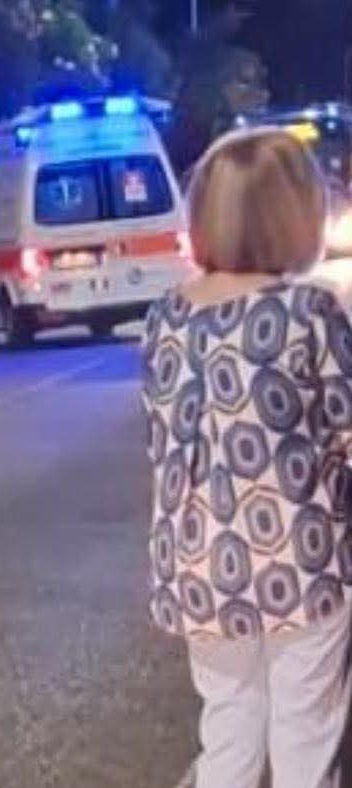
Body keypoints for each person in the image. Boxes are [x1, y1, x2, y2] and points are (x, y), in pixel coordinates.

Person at [142, 127, 352, 788]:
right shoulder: (307, 312)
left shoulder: (165, 317)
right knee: (305, 726)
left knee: (229, 722)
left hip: (198, 563)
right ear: (297, 214)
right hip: (301, 558)